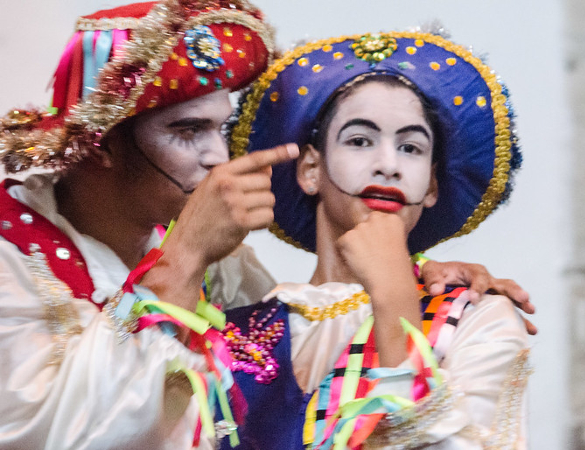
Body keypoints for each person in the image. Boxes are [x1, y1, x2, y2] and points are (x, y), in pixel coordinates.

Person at [0, 1, 532, 449]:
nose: (219, 157)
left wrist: (410, 281)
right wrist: (182, 260)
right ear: (103, 142)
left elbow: (313, 332)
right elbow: (40, 434)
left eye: (220, 127)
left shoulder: (218, 262)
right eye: (188, 131)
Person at [218, 30, 530, 449]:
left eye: (411, 148)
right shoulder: (235, 330)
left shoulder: (477, 321)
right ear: (311, 168)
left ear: (432, 183)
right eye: (360, 141)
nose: (389, 165)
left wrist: (395, 299)